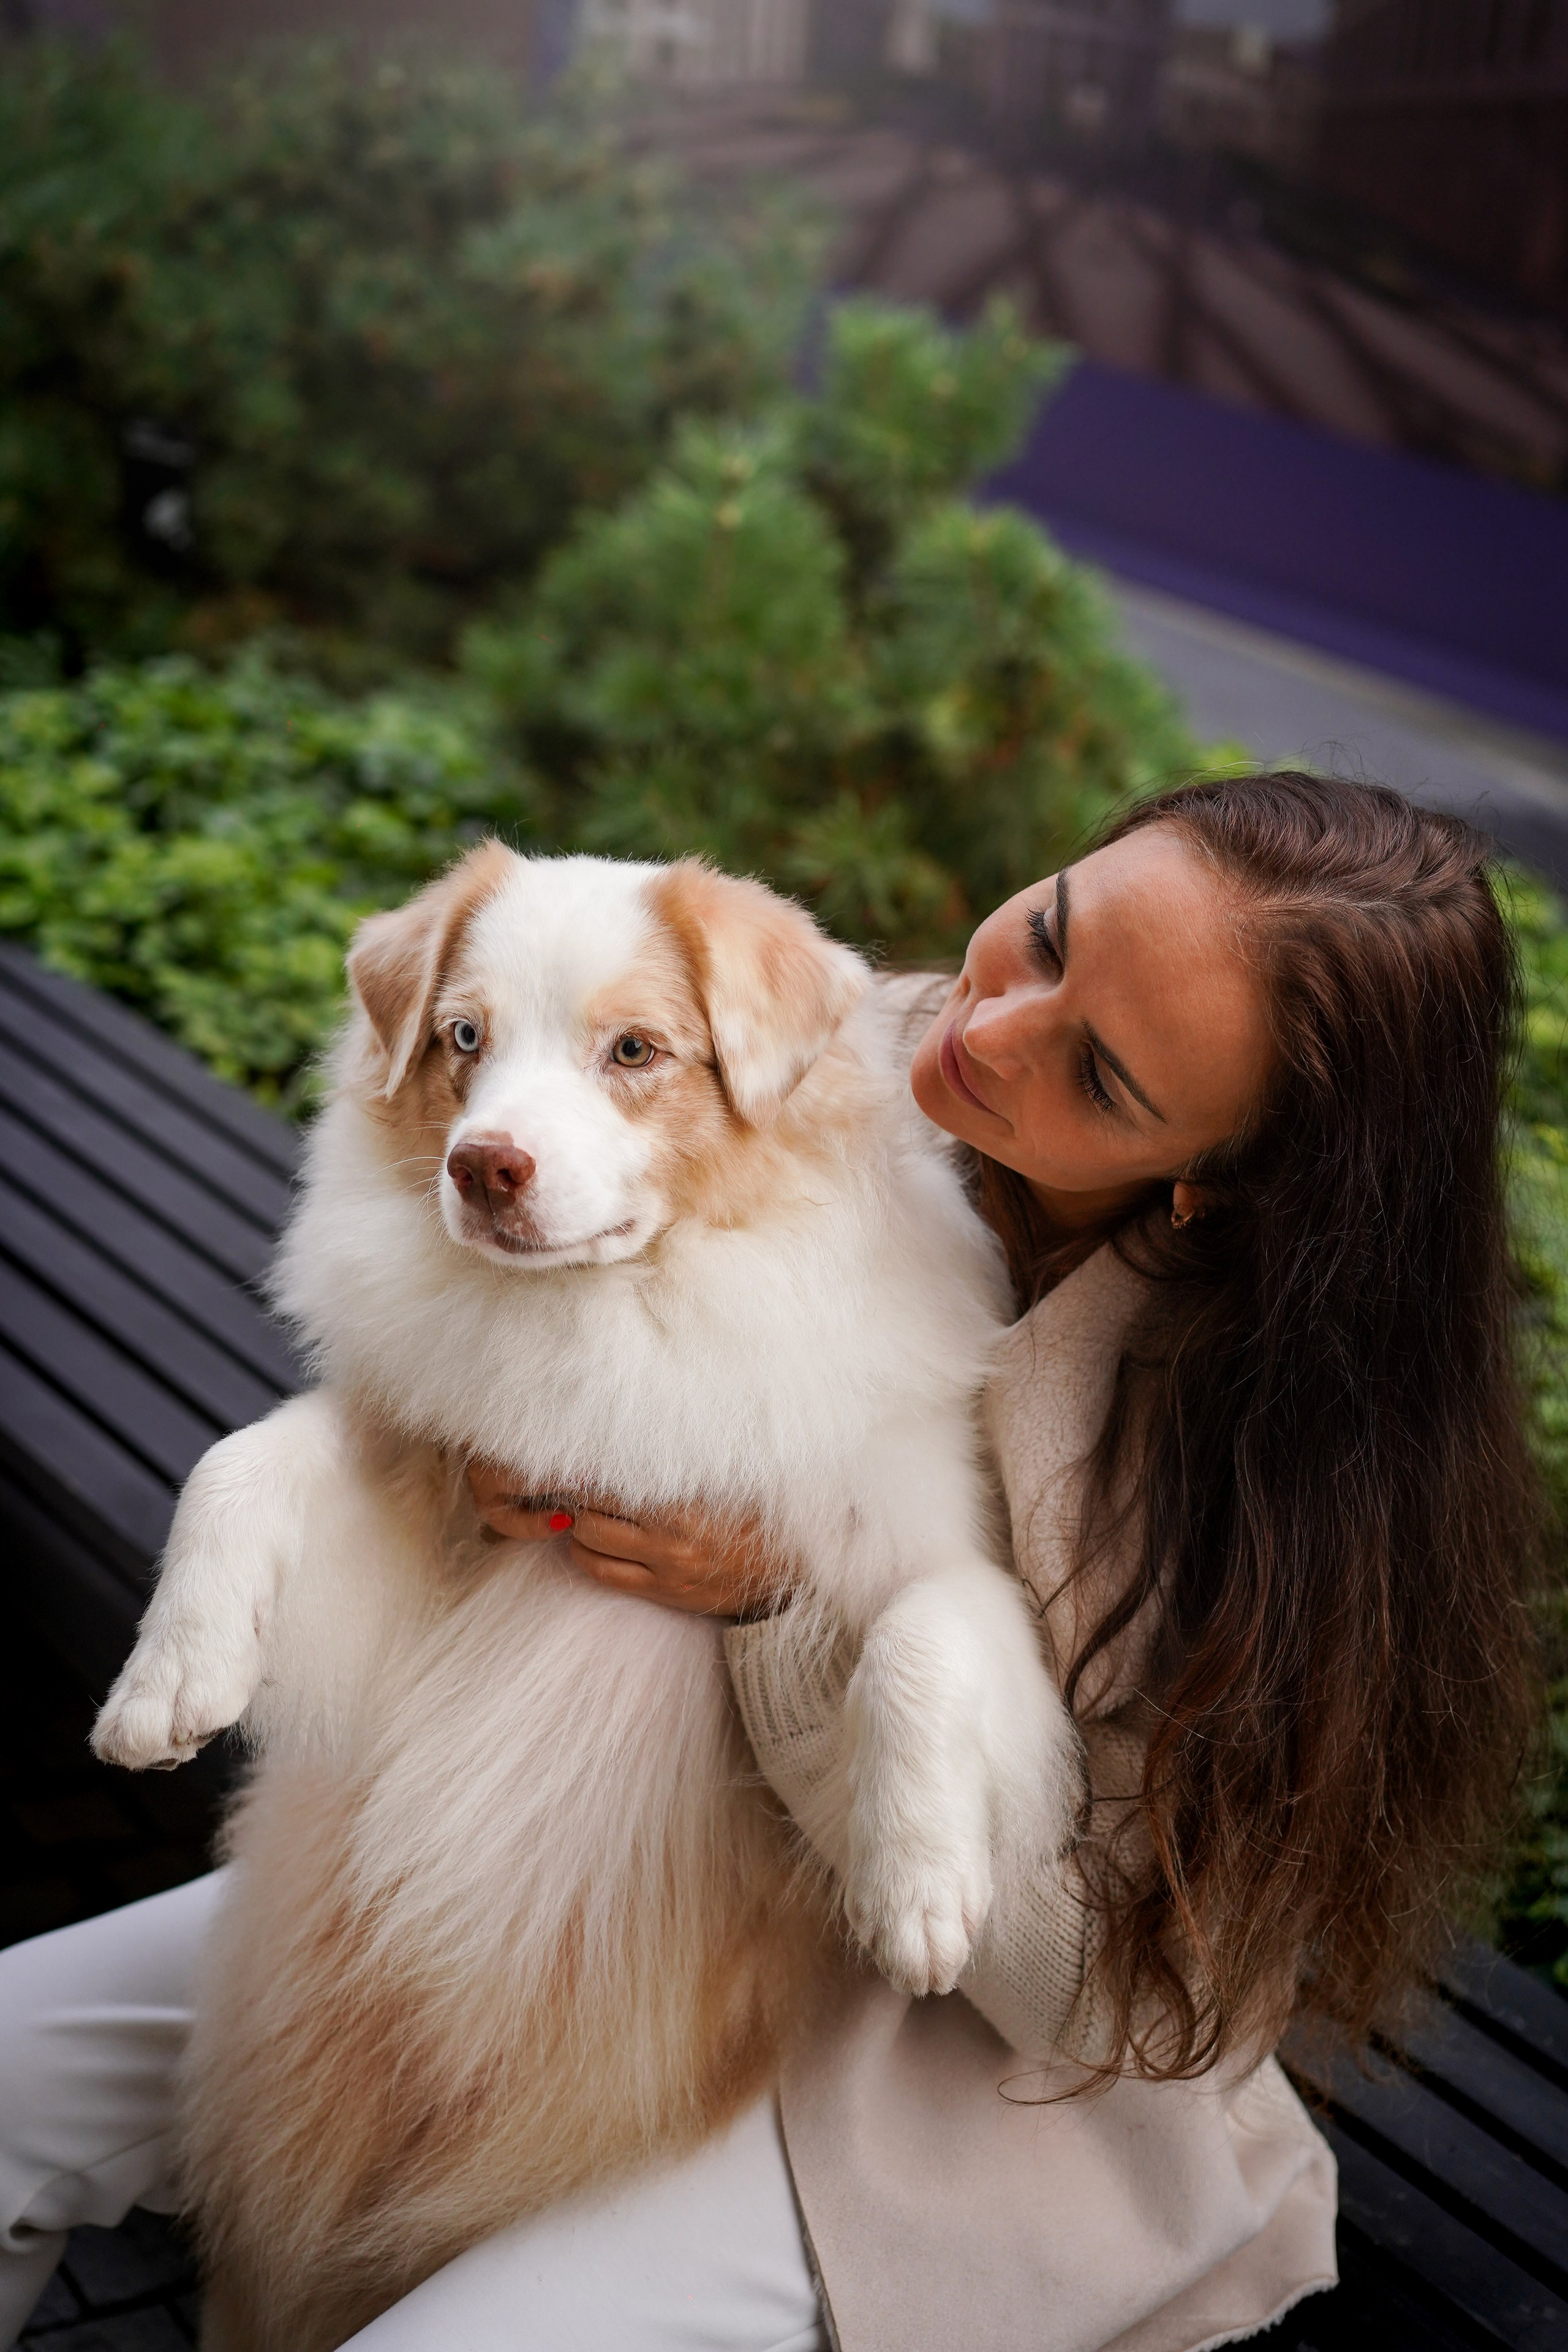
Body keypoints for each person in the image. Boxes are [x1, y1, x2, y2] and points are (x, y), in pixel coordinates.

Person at [0, 773, 1539, 2351]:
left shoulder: (1269, 1457)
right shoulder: (815, 1042)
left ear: (1223, 1172)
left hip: (906, 2071)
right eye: (1050, 933)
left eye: (1099, 1071)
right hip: (552, 1871)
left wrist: (779, 1610)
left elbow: (1134, 2012)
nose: (985, 1030)